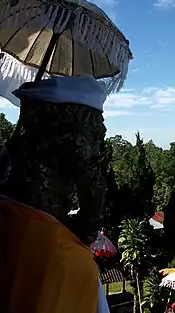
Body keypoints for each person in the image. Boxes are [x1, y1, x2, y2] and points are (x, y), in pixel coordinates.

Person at [0, 76, 110, 313]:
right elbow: (94, 187)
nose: (102, 130)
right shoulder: (71, 137)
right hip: (43, 236)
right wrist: (84, 232)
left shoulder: (24, 141)